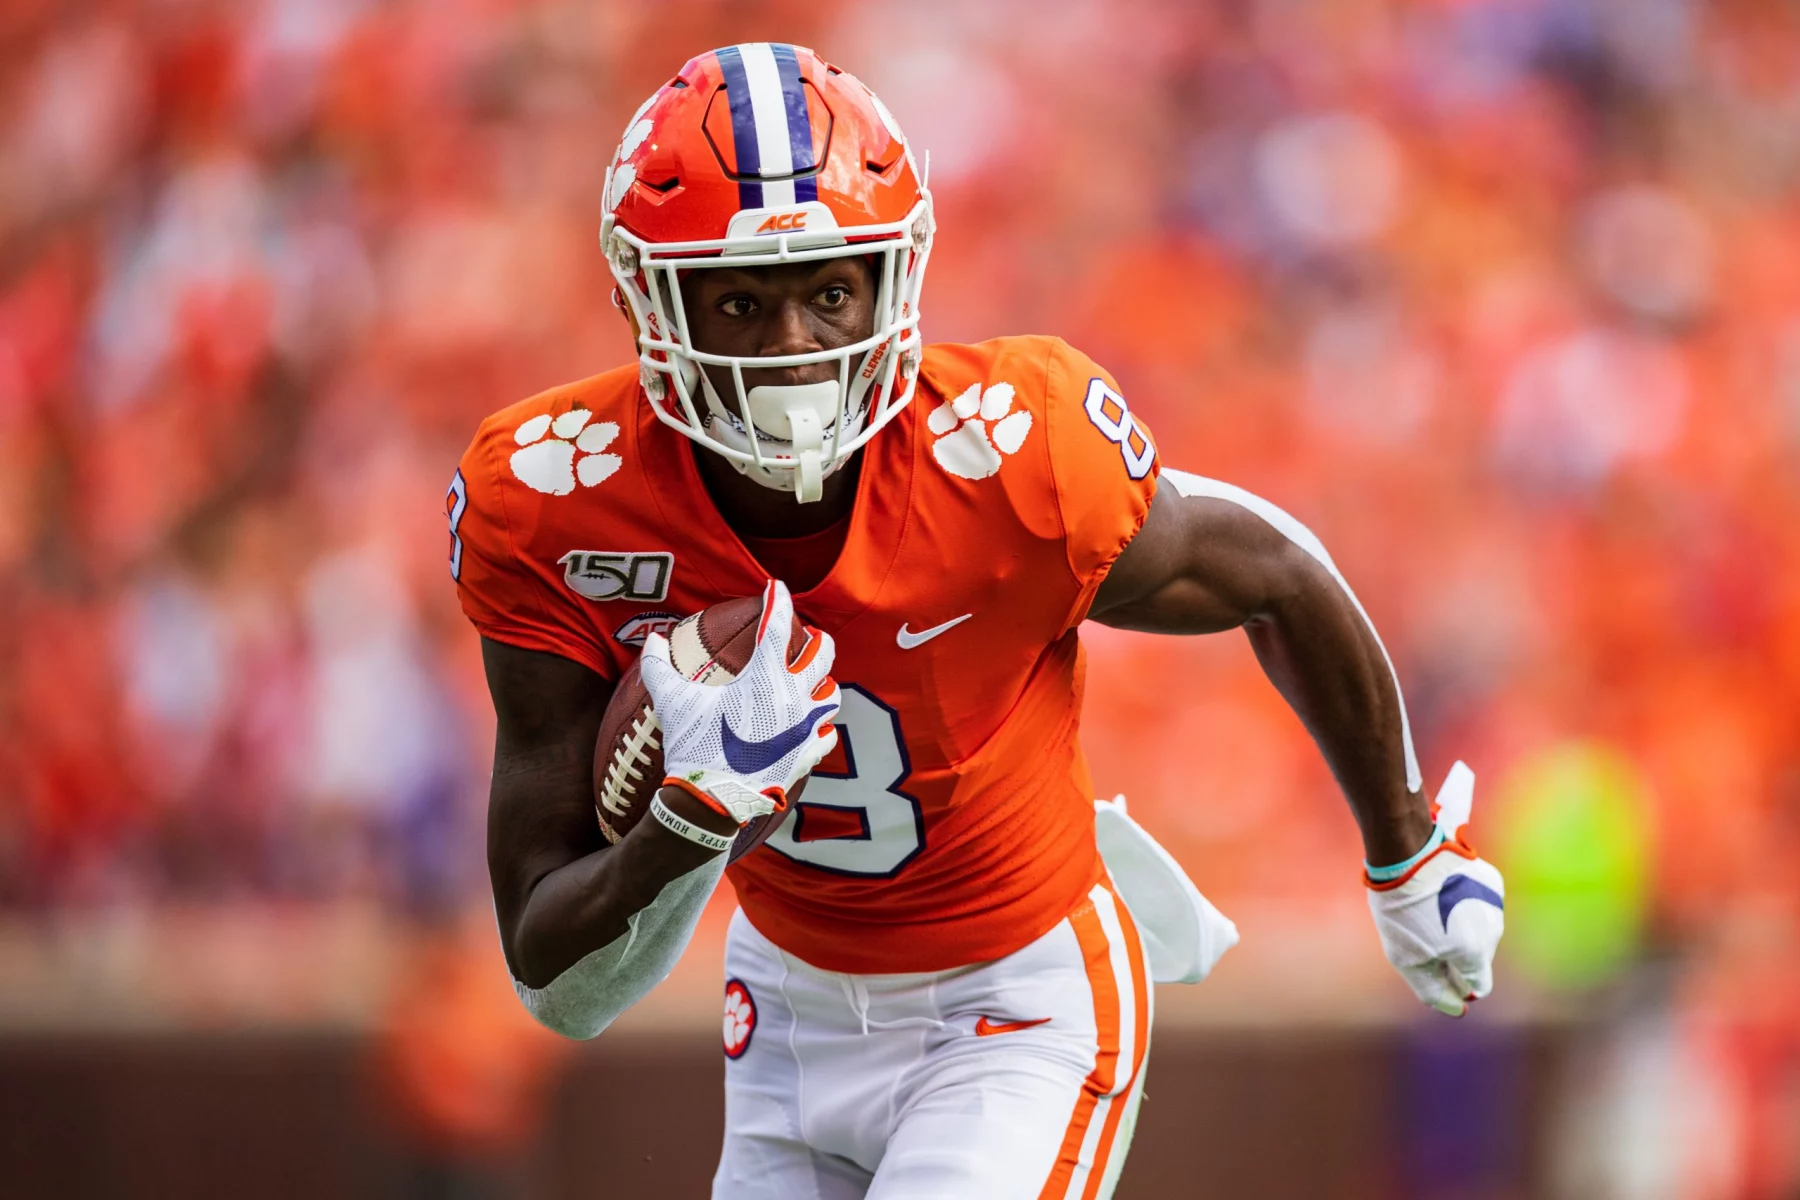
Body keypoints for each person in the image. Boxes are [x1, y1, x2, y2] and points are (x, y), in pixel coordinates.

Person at [448, 42, 1505, 1199]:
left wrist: (1407, 852)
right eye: (742, 301)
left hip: (1018, 997)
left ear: (894, 282)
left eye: (830, 292)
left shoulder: (1010, 451)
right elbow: (558, 983)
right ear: (652, 297)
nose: (794, 346)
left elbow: (1273, 574)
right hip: (785, 1015)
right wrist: (688, 833)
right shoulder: (554, 494)